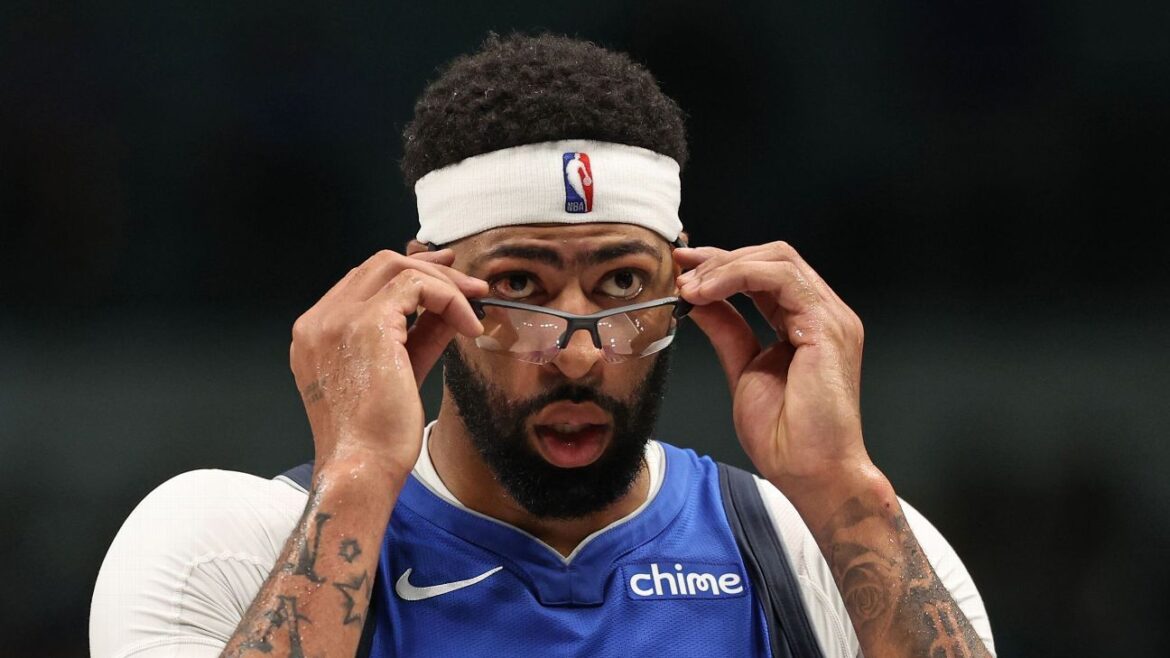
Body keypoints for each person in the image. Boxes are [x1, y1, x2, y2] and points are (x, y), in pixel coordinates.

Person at [90, 33, 995, 658]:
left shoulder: (821, 551)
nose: (577, 356)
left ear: (686, 287)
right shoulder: (227, 545)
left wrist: (844, 487)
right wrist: (359, 475)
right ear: (424, 292)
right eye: (520, 286)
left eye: (622, 284)